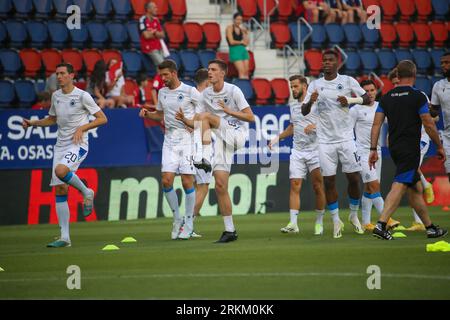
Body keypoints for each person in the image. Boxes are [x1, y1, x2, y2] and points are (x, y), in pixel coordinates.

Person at [21, 63, 108, 248]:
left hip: (78, 145)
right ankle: (65, 238)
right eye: (57, 74)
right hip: (60, 146)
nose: (59, 77)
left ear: (71, 76)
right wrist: (33, 123)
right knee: (60, 189)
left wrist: (83, 128)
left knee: (61, 171)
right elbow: (52, 119)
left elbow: (103, 118)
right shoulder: (56, 96)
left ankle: (86, 191)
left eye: (62, 74)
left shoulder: (83, 96)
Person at [176, 59, 255, 243]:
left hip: (237, 134)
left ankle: (203, 157)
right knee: (220, 185)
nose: (209, 72)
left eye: (213, 70)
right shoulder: (205, 95)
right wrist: (185, 120)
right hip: (221, 140)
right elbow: (199, 120)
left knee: (207, 116)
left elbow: (250, 117)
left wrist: (229, 111)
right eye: (209, 70)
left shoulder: (233, 90)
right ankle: (230, 231)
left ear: (222, 73)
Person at [369, 60, 447, 240]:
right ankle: (381, 224)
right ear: (414, 74)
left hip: (394, 147)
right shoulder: (417, 96)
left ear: (398, 75)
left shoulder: (386, 98)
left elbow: (376, 125)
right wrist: (440, 145)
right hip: (410, 148)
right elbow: (428, 123)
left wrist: (373, 149)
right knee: (401, 183)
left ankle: (429, 227)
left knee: (415, 188)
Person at [302, 49, 370, 238]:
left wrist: (349, 99)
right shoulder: (315, 85)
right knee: (329, 181)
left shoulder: (347, 81)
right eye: (324, 60)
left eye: (330, 60)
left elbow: (367, 98)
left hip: (347, 138)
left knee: (354, 179)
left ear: (337, 63)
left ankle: (354, 215)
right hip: (325, 141)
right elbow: (304, 111)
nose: (326, 63)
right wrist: (311, 101)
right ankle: (335, 220)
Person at [139, 60, 199, 240]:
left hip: (187, 139)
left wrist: (192, 123)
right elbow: (160, 115)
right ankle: (177, 218)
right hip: (170, 139)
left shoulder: (190, 91)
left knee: (188, 181)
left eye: (165, 75)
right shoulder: (162, 92)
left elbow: (204, 111)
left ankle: (189, 223)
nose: (162, 78)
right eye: (161, 75)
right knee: (166, 181)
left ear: (174, 73)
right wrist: (149, 114)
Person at [268, 75, 327, 236]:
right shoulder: (293, 106)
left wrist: (315, 125)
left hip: (316, 150)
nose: (293, 89)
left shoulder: (317, 103)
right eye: (291, 87)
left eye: (295, 86)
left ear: (304, 86)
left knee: (317, 186)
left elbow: (329, 122)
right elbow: (293, 127)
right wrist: (277, 138)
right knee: (295, 185)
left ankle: (319, 222)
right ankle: (293, 223)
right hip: (298, 151)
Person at [389, 67, 436, 231]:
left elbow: (433, 117)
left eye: (397, 82)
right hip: (403, 142)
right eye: (393, 83)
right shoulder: (393, 98)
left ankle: (418, 222)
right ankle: (425, 186)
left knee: (410, 175)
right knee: (412, 179)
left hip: (420, 139)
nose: (396, 86)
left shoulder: (419, 96)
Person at [349, 80, 400, 231]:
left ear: (376, 91)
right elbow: (347, 131)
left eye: (372, 90)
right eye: (366, 91)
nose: (370, 93)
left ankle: (366, 222)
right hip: (362, 152)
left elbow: (391, 123)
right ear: (360, 93)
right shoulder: (355, 109)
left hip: (376, 152)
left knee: (369, 187)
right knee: (374, 185)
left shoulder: (380, 106)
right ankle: (387, 219)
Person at [192, 69, 212, 220]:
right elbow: (202, 126)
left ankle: (189, 218)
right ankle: (188, 223)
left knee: (194, 186)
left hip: (186, 146)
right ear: (206, 83)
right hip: (200, 147)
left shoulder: (189, 96)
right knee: (204, 186)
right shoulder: (202, 101)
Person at [139, 2, 165, 67]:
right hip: (149, 48)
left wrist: (153, 32)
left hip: (158, 46)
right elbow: (146, 36)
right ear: (148, 9)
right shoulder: (142, 20)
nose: (156, 9)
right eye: (154, 7)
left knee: (160, 69)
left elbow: (162, 35)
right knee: (163, 66)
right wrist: (156, 33)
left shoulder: (156, 20)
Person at [226, 13, 250, 79]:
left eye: (240, 20)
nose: (239, 21)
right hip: (234, 50)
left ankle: (246, 86)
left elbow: (246, 43)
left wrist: (246, 33)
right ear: (234, 20)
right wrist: (241, 42)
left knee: (246, 71)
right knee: (241, 71)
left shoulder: (241, 29)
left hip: (243, 50)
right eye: (237, 19)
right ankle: (241, 87)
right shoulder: (229, 28)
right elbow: (231, 41)